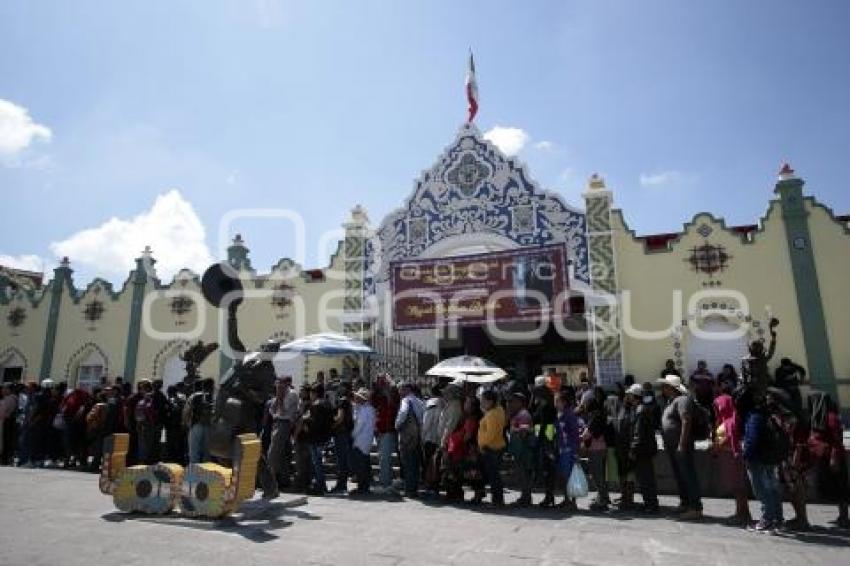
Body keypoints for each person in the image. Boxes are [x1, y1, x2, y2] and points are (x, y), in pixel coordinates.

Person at [658, 374, 703, 520]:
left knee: (688, 475)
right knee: (680, 476)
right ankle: (685, 503)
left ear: (671, 387)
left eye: (664, 385)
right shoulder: (672, 401)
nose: (662, 388)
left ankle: (695, 507)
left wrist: (682, 444)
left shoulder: (682, 400)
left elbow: (686, 420)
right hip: (673, 446)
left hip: (681, 445)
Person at [740, 387, 784, 533]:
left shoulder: (753, 416)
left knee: (761, 489)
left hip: (758, 458)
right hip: (770, 457)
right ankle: (778, 518)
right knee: (772, 487)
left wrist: (746, 456)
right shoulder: (767, 414)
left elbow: (752, 439)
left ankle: (767, 519)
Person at [808, 391, 849, 528]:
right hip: (824, 458)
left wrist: (834, 458)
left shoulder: (830, 417)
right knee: (834, 487)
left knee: (840, 487)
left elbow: (836, 440)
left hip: (833, 458)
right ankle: (841, 516)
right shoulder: (819, 416)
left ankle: (844, 517)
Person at [713, 389, 751, 525]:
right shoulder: (725, 421)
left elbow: (731, 439)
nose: (716, 409)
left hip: (732, 457)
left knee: (738, 485)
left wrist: (718, 446)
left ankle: (743, 513)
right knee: (735, 486)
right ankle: (740, 512)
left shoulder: (731, 421)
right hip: (727, 457)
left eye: (718, 406)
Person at [629, 383, 659, 514]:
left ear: (635, 396)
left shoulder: (640, 411)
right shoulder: (645, 408)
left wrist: (633, 449)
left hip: (642, 450)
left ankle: (650, 505)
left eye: (630, 395)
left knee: (645, 478)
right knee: (647, 477)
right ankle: (650, 502)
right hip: (647, 449)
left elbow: (638, 433)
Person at [580, 386, 611, 511]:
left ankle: (602, 501)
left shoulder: (595, 416)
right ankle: (603, 496)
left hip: (596, 449)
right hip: (600, 448)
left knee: (597, 475)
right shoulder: (599, 414)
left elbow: (588, 434)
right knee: (600, 475)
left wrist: (578, 437)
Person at [268, 376, 299, 490]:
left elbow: (283, 410)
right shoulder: (279, 393)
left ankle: (270, 481)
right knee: (282, 455)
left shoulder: (292, 394)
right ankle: (284, 480)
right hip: (277, 422)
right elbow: (272, 410)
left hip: (285, 423)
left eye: (281, 383)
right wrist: (278, 397)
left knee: (272, 453)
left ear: (287, 383)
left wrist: (280, 398)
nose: (279, 385)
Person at [476, 390, 506, 506]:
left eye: (483, 400)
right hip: (496, 446)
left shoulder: (493, 414)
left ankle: (497, 500)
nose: (481, 403)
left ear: (490, 401)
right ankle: (497, 500)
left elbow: (490, 434)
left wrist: (482, 444)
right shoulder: (498, 410)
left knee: (494, 476)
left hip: (491, 448)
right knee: (494, 475)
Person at [395, 382, 425, 498]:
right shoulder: (420, 401)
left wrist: (397, 425)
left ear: (406, 389)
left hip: (407, 437)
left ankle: (409, 490)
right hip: (418, 436)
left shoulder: (406, 400)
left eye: (400, 390)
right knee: (415, 464)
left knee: (407, 463)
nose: (399, 392)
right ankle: (414, 489)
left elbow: (403, 413)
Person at [303, 384, 333, 495]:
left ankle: (320, 485)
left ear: (314, 393)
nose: (310, 395)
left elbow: (315, 423)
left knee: (317, 463)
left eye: (311, 393)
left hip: (315, 438)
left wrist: (306, 420)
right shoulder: (328, 403)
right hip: (324, 437)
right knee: (318, 462)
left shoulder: (316, 405)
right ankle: (321, 485)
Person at [554, 388, 580, 510]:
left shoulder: (570, 415)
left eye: (557, 401)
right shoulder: (559, 415)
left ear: (564, 402)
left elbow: (575, 434)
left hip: (569, 451)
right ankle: (566, 500)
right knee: (564, 476)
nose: (555, 403)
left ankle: (572, 502)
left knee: (570, 477)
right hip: (561, 449)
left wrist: (575, 451)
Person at [532, 385, 558, 507]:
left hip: (545, 441)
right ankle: (549, 496)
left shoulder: (545, 408)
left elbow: (542, 425)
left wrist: (538, 441)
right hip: (547, 439)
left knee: (547, 470)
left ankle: (549, 496)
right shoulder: (546, 406)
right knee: (548, 470)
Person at [373, 376, 399, 494]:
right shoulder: (380, 398)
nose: (381, 388)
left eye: (382, 385)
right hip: (381, 431)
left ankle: (385, 484)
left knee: (385, 458)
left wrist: (390, 393)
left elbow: (392, 411)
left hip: (388, 431)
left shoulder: (393, 398)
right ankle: (387, 482)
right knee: (382, 458)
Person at [613, 384, 638, 510]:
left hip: (628, 448)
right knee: (622, 473)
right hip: (620, 447)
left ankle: (629, 499)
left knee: (629, 474)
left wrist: (631, 449)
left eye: (629, 395)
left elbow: (633, 431)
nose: (627, 397)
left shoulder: (634, 410)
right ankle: (624, 497)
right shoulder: (622, 408)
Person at [350, 388, 375, 496]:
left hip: (361, 440)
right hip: (365, 440)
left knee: (361, 465)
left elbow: (359, 426)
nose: (356, 399)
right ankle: (363, 486)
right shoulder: (368, 409)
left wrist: (352, 435)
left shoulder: (365, 410)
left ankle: (362, 487)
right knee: (363, 464)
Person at [420, 384, 444, 497]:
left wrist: (422, 437)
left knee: (429, 464)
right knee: (437, 464)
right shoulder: (445, 404)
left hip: (430, 439)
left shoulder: (431, 405)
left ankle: (430, 488)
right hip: (440, 439)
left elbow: (426, 425)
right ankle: (436, 487)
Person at [185, 378, 213, 464]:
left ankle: (194, 473)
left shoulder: (194, 396)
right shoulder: (213, 396)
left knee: (194, 453)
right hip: (209, 426)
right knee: (206, 453)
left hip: (196, 425)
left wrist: (187, 424)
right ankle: (205, 473)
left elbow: (187, 411)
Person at [0, 384, 19, 465]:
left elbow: (5, 411)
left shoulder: (10, 398)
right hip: (6, 420)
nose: (2, 390)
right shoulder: (8, 398)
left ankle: (5, 458)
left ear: (9, 390)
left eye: (4, 389)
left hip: (7, 420)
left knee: (6, 440)